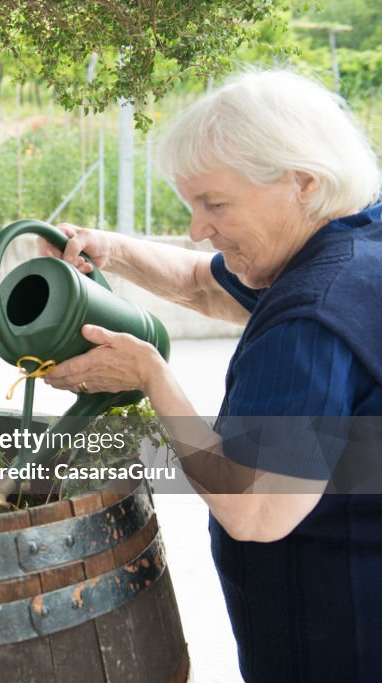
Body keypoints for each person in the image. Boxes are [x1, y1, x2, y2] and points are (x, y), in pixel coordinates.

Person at [38, 70, 382, 682]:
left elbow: (255, 511)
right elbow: (204, 284)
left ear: (302, 181)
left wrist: (150, 374)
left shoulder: (309, 321)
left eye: (215, 204)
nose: (199, 227)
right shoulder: (357, 243)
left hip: (337, 643)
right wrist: (108, 250)